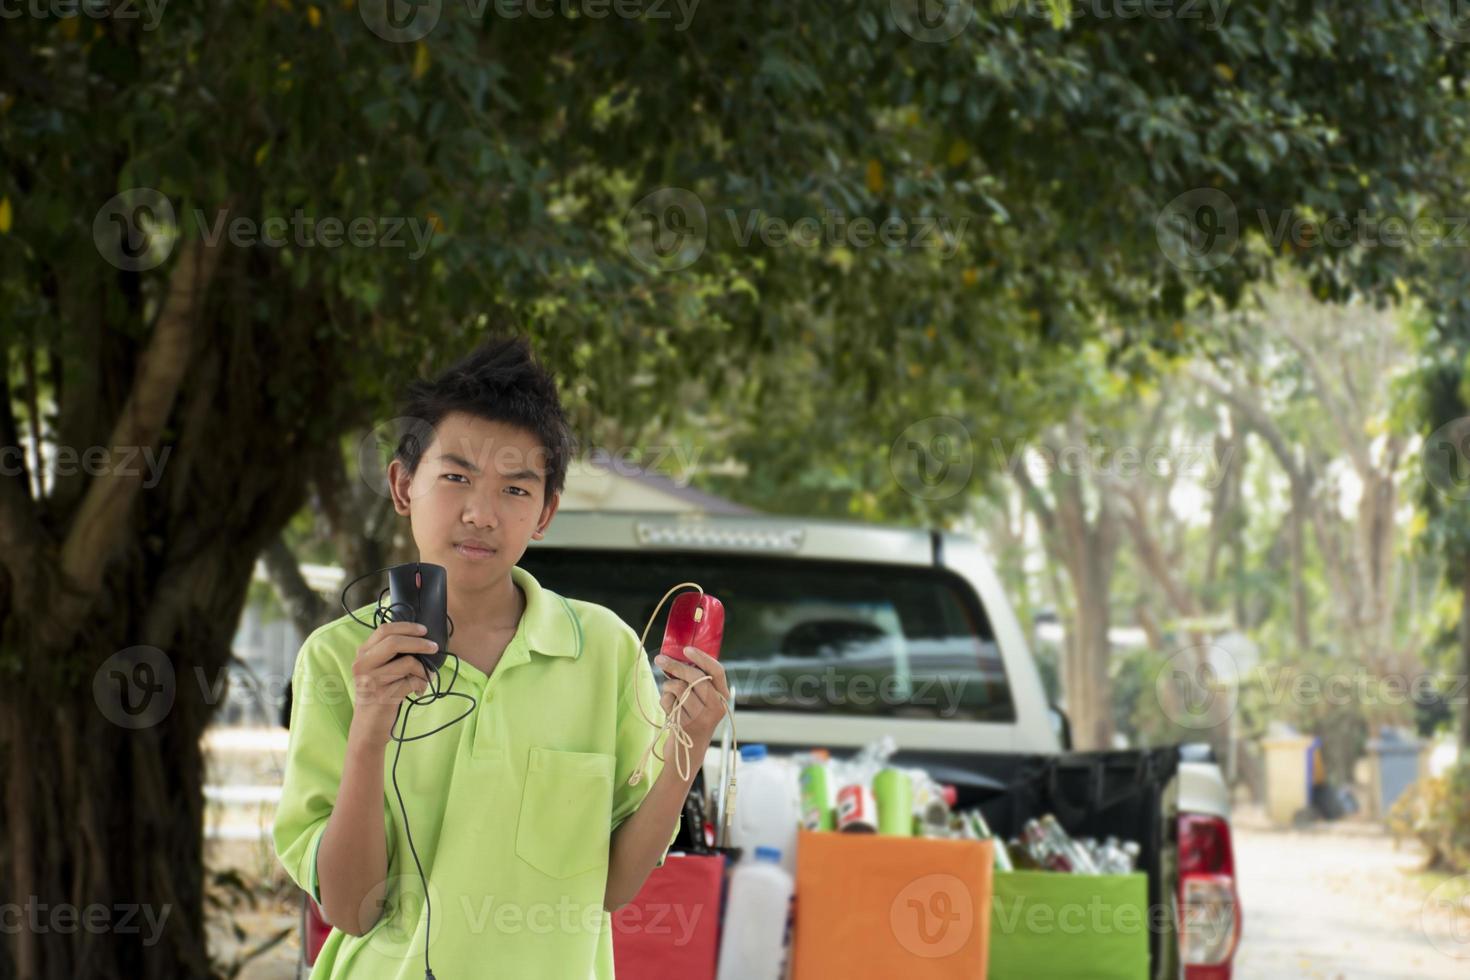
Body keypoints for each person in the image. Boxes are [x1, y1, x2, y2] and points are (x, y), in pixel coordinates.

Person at [272, 336, 729, 978]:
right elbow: (350, 909)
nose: (481, 513)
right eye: (455, 477)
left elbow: (614, 889)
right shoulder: (337, 658)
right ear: (403, 485)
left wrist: (687, 741)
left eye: (516, 491)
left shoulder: (604, 650)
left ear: (545, 513)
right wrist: (372, 723)